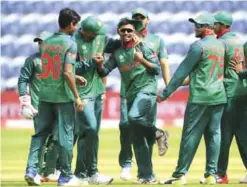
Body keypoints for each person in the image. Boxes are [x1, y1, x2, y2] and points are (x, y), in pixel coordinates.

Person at [158, 13, 226, 185]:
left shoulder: (198, 46)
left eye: (198, 25)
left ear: (208, 27)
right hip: (219, 96)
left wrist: (166, 93)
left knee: (190, 135)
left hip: (200, 97)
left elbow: (182, 71)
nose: (195, 28)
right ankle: (211, 175)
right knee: (214, 134)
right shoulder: (221, 45)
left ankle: (179, 175)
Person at [23, 8, 85, 186]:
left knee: (39, 135)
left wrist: (75, 76)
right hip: (63, 97)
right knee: (65, 136)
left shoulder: (47, 42)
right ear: (71, 24)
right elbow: (66, 73)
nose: (77, 28)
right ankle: (65, 176)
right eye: (76, 25)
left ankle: (31, 170)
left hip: (44, 95)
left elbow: (54, 69)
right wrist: (77, 97)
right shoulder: (71, 44)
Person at [96, 17, 160, 184]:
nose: (126, 33)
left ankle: (157, 133)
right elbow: (105, 71)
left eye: (129, 30)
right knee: (137, 137)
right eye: (123, 30)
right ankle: (147, 176)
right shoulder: (117, 52)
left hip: (147, 91)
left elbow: (156, 69)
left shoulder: (143, 47)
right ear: (118, 31)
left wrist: (142, 60)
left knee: (132, 118)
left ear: (134, 32)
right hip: (130, 94)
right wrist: (98, 64)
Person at [118, 8, 170, 181]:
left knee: (141, 133)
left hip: (148, 92)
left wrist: (168, 87)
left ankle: (147, 174)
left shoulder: (156, 41)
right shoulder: (124, 39)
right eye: (135, 18)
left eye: (141, 17)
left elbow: (162, 65)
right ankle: (157, 135)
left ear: (148, 19)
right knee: (131, 127)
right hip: (128, 92)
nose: (138, 20)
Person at [73, 16, 121, 185]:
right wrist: (90, 63)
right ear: (85, 32)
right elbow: (69, 68)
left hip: (98, 91)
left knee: (90, 134)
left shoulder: (101, 37)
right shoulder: (73, 42)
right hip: (81, 93)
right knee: (91, 129)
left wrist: (132, 39)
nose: (98, 36)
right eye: (94, 33)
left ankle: (83, 174)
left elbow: (117, 44)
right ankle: (89, 172)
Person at [18, 31, 62, 183]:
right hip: (39, 108)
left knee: (56, 139)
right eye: (39, 42)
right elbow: (23, 80)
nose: (41, 45)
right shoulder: (33, 60)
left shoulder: (60, 60)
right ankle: (32, 171)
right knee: (40, 139)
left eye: (44, 42)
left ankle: (48, 171)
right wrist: (25, 102)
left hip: (59, 106)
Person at [214, 12, 247, 184]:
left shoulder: (221, 43)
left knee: (223, 135)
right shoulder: (239, 42)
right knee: (243, 135)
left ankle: (221, 174)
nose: (212, 26)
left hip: (229, 94)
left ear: (222, 25)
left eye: (215, 24)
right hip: (242, 93)